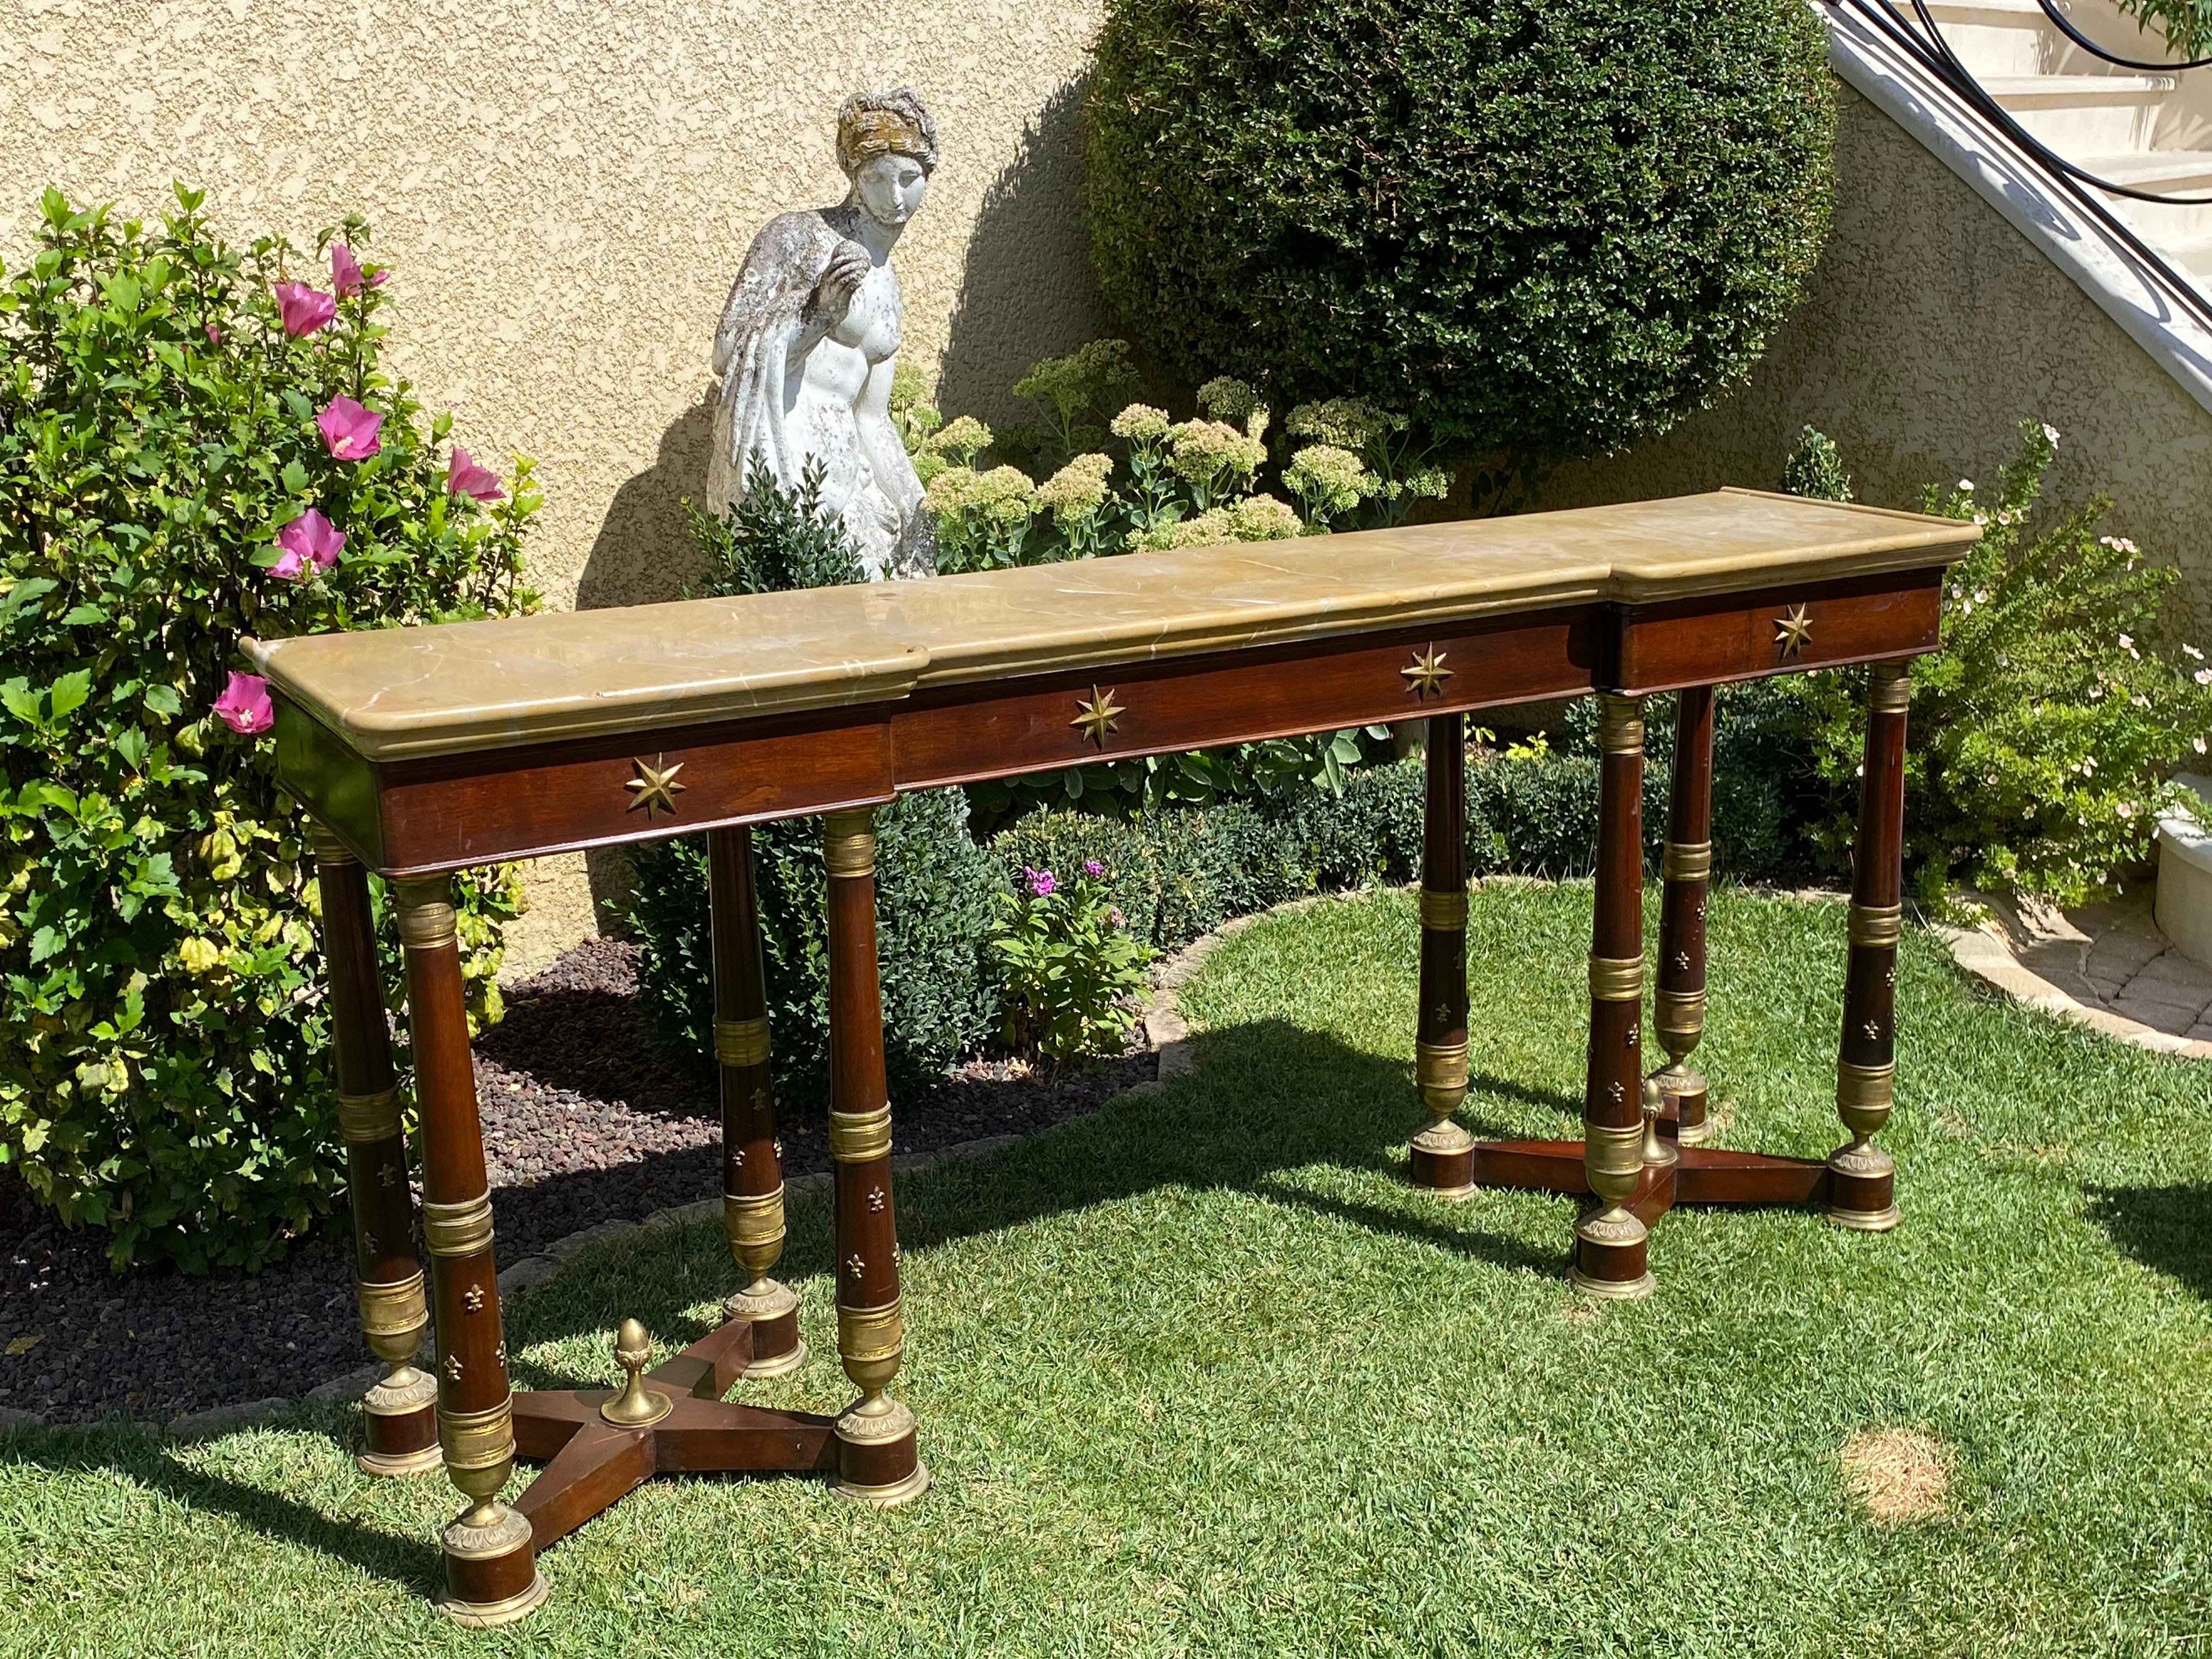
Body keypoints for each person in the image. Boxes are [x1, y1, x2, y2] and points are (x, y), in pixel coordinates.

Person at [706, 88, 939, 579]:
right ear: (853, 176)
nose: (894, 196)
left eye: (909, 178)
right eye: (876, 178)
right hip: (786, 469)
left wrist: (919, 508)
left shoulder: (889, 289)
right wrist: (817, 312)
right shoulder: (797, 236)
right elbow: (727, 350)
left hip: (848, 481)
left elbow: (872, 419)